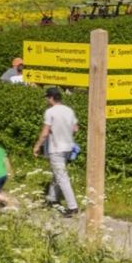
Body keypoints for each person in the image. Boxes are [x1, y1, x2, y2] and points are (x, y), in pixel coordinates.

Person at [32, 87, 80, 216]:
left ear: (51, 98)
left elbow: (45, 133)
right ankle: (52, 199)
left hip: (56, 148)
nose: (47, 100)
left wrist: (37, 146)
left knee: (62, 177)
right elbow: (76, 129)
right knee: (57, 174)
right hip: (69, 147)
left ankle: (72, 207)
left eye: (47, 97)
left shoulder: (50, 112)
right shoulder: (69, 110)